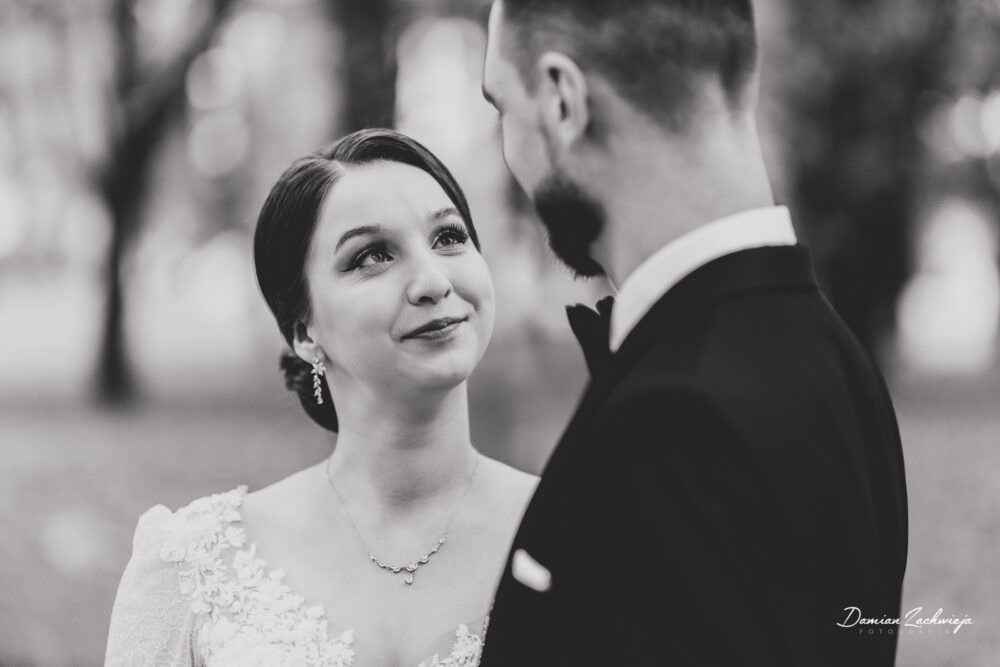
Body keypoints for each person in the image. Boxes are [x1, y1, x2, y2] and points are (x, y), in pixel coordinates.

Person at [479, 1, 908, 665]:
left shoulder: (673, 422)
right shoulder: (837, 358)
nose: (508, 147)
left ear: (563, 101)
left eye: (501, 105)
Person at [105, 129, 537, 667]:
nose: (432, 281)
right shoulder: (194, 565)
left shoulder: (587, 532)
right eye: (373, 255)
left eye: (448, 237)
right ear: (304, 332)